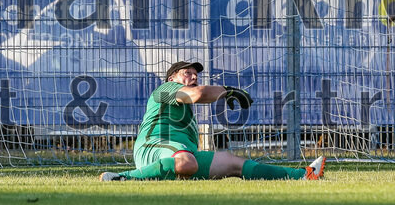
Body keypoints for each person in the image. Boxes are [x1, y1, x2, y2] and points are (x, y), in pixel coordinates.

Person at [100, 61, 325, 181]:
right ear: (172, 78)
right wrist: (228, 90)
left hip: (179, 153)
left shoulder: (186, 112)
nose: (193, 76)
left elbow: (198, 95)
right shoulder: (165, 89)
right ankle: (122, 178)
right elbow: (198, 94)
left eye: (195, 74)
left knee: (233, 163)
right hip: (153, 147)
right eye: (186, 73)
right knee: (186, 163)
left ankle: (303, 175)